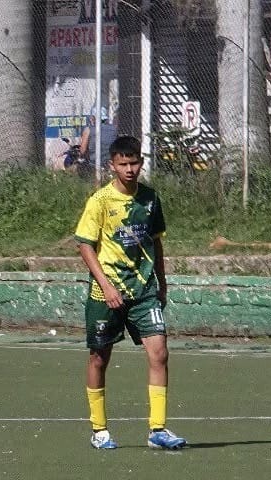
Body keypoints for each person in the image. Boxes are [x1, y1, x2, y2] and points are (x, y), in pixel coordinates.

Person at [74, 134, 185, 451]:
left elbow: (156, 242)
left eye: (134, 162)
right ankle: (99, 430)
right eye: (123, 164)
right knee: (99, 357)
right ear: (112, 165)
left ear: (141, 162)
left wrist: (162, 283)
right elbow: (85, 245)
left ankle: (158, 430)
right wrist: (106, 285)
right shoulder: (100, 201)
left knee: (160, 353)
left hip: (144, 291)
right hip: (107, 292)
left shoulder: (150, 199)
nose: (130, 169)